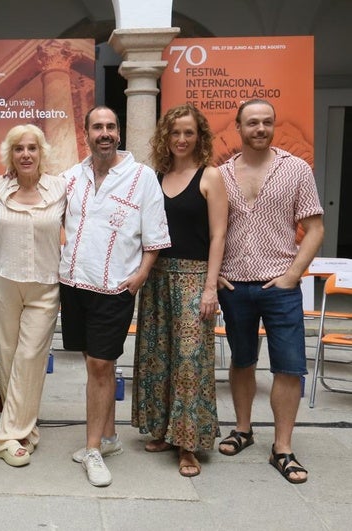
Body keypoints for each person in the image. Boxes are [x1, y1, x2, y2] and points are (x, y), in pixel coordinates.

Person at [61, 106, 170, 487]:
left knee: (100, 367)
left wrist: (139, 276)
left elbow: (155, 234)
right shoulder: (71, 178)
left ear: (119, 133)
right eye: (97, 127)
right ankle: (107, 439)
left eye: (110, 127)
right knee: (93, 363)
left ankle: (92, 448)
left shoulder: (142, 178)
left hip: (115, 288)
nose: (104, 133)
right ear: (86, 133)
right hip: (74, 285)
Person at [216, 99, 323, 484]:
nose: (260, 128)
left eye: (266, 122)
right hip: (234, 283)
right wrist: (215, 276)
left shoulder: (295, 170)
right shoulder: (221, 174)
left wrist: (294, 274)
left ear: (273, 126)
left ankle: (283, 447)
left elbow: (315, 228)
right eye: (252, 123)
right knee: (242, 360)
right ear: (239, 127)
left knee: (289, 366)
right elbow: (212, 231)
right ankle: (243, 429)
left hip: (280, 284)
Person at [131, 104, 228, 477]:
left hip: (193, 277)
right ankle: (164, 431)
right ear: (165, 138)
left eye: (188, 133)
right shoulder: (154, 178)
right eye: (175, 133)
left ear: (199, 136)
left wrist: (209, 288)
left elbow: (219, 234)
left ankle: (189, 445)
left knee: (189, 363)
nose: (182, 139)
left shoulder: (210, 177)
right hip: (157, 278)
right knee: (158, 358)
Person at [0, 125, 65, 467]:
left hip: (46, 284)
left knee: (30, 357)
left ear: (41, 152)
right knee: (6, 356)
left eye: (32, 148)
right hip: (4, 280)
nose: (26, 154)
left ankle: (4, 439)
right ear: (10, 154)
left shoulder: (61, 188)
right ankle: (24, 431)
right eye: (19, 148)